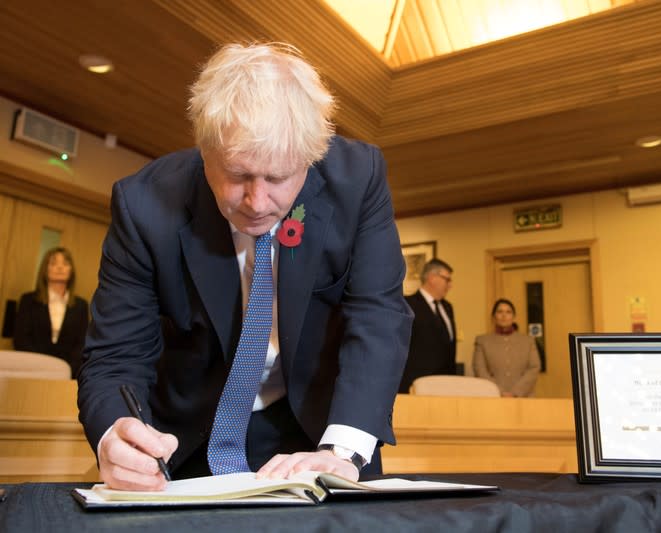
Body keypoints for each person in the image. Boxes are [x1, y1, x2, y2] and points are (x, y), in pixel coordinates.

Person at [77, 42, 413, 491]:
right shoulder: (144, 205)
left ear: (310, 159)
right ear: (205, 149)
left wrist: (343, 449)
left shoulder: (358, 181)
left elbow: (378, 315)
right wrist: (114, 434)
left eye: (277, 179)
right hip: (185, 439)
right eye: (236, 175)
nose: (256, 204)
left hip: (320, 432)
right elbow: (116, 353)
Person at [14, 247, 89, 378]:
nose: (60, 267)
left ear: (71, 270)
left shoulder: (81, 305)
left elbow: (82, 343)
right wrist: (41, 366)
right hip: (31, 372)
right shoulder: (28, 300)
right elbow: (21, 339)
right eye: (53, 263)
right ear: (45, 269)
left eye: (65, 263)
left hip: (68, 374)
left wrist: (67, 370)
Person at [398, 258, 456, 393]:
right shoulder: (408, 304)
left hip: (445, 384)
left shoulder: (448, 308)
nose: (450, 285)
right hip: (416, 385)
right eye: (447, 279)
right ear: (432, 278)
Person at [473, 298, 541, 398]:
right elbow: (480, 370)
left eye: (508, 312)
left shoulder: (528, 341)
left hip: (524, 398)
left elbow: (534, 367)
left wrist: (516, 392)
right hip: (493, 397)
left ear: (513, 316)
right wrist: (499, 391)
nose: (504, 315)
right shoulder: (482, 341)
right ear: (494, 316)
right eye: (500, 312)